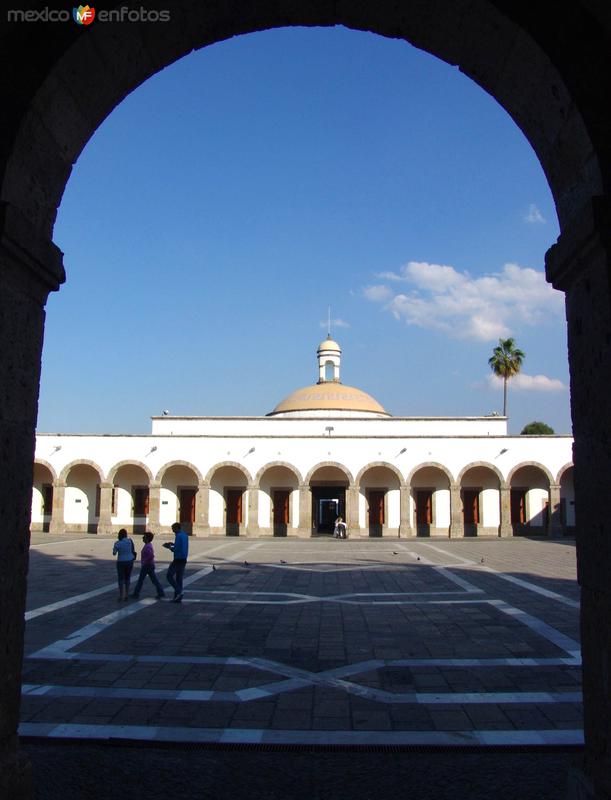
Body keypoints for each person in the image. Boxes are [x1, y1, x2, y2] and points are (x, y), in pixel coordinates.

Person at [130, 532, 165, 600]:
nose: (143, 538)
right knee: (153, 580)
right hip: (148, 565)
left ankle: (136, 593)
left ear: (147, 538)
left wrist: (145, 561)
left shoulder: (148, 546)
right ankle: (161, 592)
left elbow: (151, 555)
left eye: (144, 537)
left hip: (147, 565)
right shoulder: (148, 545)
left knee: (142, 580)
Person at [163, 521, 189, 603]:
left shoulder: (178, 536)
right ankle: (177, 597)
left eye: (173, 529)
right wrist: (172, 544)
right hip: (184, 558)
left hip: (178, 559)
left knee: (169, 575)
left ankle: (179, 591)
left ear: (177, 528)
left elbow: (177, 548)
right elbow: (181, 545)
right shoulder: (185, 535)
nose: (173, 531)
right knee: (179, 578)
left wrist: (169, 547)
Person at [112, 528, 136, 601]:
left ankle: (121, 595)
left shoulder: (117, 543)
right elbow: (133, 550)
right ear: (126, 534)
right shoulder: (130, 541)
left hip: (121, 562)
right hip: (130, 561)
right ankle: (126, 595)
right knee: (127, 578)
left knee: (121, 579)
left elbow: (114, 553)